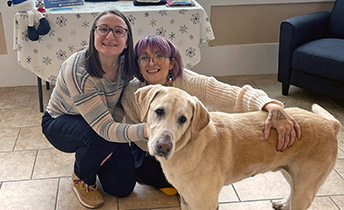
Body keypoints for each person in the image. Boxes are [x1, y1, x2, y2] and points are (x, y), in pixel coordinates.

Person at [121, 35, 302, 195]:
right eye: (144, 58)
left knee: (196, 181)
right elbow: (128, 129)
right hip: (149, 149)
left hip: (184, 146)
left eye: (159, 56)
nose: (152, 63)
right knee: (171, 182)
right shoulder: (133, 93)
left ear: (171, 62)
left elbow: (235, 95)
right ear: (138, 65)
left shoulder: (190, 83)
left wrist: (271, 106)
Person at [41, 10, 148, 209]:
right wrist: (146, 130)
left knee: (122, 188)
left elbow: (118, 104)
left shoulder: (127, 64)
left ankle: (96, 155)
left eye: (118, 31)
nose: (110, 36)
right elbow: (106, 130)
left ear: (127, 40)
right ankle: (81, 177)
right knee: (100, 139)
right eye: (103, 29)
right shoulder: (79, 70)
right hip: (60, 120)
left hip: (100, 120)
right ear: (93, 35)